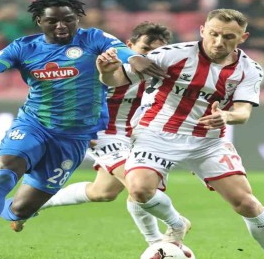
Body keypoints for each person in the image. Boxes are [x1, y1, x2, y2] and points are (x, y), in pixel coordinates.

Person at [0, 0, 166, 259]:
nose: (61, 26)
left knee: (21, 209)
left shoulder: (93, 38)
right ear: (39, 21)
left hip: (73, 138)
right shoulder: (24, 47)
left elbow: (120, 50)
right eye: (53, 21)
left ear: (77, 20)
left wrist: (134, 58)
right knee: (4, 172)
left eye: (68, 20)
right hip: (33, 124)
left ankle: (11, 210)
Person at [97, 8, 264, 259]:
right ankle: (177, 224)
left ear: (243, 38)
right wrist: (106, 73)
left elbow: (243, 113)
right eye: (214, 34)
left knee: (245, 202)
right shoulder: (171, 55)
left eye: (228, 37)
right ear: (202, 31)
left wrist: (227, 116)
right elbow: (118, 79)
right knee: (139, 190)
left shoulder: (249, 69)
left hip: (207, 142)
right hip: (156, 134)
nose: (219, 42)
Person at [30, 22, 173, 246]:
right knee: (137, 184)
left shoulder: (164, 72)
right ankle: (160, 241)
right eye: (145, 49)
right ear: (130, 46)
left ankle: (36, 203)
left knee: (103, 192)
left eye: (157, 51)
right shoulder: (108, 67)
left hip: (138, 135)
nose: (150, 56)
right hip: (103, 133)